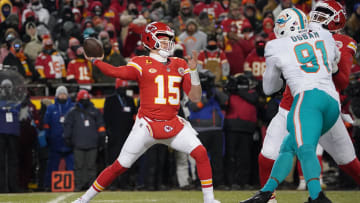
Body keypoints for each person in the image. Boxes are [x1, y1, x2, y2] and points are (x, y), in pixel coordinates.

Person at [73, 21, 220, 203]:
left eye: (169, 39)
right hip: (147, 125)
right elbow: (116, 71)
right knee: (120, 165)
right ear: (150, 40)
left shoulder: (179, 63)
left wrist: (193, 71)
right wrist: (96, 61)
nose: (167, 43)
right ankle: (84, 199)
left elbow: (196, 97)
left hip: (173, 122)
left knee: (201, 153)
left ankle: (209, 200)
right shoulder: (141, 62)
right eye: (163, 39)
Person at [257, 1, 360, 202]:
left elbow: (342, 81)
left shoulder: (341, 41)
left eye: (324, 14)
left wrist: (333, 66)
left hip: (320, 104)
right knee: (267, 156)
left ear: (337, 20)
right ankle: (270, 199)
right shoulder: (296, 30)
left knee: (347, 161)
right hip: (290, 106)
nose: (317, 17)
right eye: (317, 12)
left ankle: (315, 195)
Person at [240, 7, 339, 203]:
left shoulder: (279, 46)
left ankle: (317, 197)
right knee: (283, 149)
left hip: (307, 102)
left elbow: (269, 87)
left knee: (306, 149)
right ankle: (267, 195)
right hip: (321, 104)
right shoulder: (323, 36)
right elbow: (334, 64)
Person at [63, 90, 106, 191]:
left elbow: (101, 125)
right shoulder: (73, 112)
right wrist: (67, 137)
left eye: (86, 99)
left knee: (91, 166)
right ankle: (79, 185)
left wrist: (101, 137)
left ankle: (90, 186)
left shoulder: (95, 111)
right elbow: (68, 126)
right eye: (83, 99)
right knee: (79, 166)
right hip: (78, 143)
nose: (85, 101)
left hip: (92, 143)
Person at [103, 79, 137, 190]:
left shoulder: (130, 100)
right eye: (121, 87)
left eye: (125, 87)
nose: (123, 89)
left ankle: (124, 183)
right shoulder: (110, 100)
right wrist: (108, 132)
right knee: (113, 160)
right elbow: (106, 118)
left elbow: (134, 117)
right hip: (114, 135)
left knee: (126, 160)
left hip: (127, 136)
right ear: (117, 88)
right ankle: (112, 184)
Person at [43, 86, 74, 189]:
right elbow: (46, 124)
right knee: (52, 166)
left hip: (69, 142)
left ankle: (75, 184)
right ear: (57, 95)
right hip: (55, 142)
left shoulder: (72, 107)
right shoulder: (51, 108)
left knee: (73, 165)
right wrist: (48, 137)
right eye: (60, 94)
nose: (62, 96)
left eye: (64, 94)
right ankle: (48, 185)